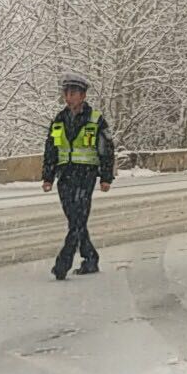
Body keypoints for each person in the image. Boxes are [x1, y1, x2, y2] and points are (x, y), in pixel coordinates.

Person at [42, 73, 114, 280]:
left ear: (82, 95)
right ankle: (90, 257)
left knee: (78, 219)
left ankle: (63, 262)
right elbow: (51, 149)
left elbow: (106, 149)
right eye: (66, 93)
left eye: (72, 93)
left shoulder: (95, 119)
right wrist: (48, 176)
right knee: (75, 219)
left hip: (86, 174)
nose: (68, 97)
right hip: (64, 175)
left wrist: (106, 177)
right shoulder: (59, 119)